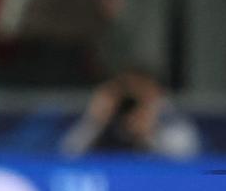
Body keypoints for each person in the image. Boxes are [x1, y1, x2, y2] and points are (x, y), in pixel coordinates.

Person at [60, 67, 201, 159]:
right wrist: (94, 121)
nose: (132, 99)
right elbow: (67, 154)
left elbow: (188, 157)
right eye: (127, 89)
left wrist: (150, 132)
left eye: (139, 90)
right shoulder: (106, 119)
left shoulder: (169, 119)